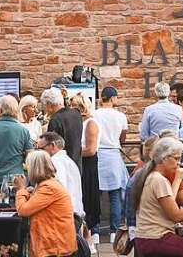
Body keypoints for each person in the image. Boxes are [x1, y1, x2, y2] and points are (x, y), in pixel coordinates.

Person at [132, 136, 183, 257]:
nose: (179, 163)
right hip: (155, 238)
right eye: (176, 159)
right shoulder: (158, 180)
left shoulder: (151, 176)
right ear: (163, 158)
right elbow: (175, 215)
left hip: (146, 238)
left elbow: (168, 207)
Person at [14, 150, 78, 257]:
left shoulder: (48, 187)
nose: (27, 171)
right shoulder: (48, 183)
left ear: (34, 169)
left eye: (28, 167)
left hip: (55, 246)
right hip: (55, 242)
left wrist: (21, 189)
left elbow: (23, 210)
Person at [93, 85, 129, 243]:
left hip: (98, 154)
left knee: (96, 196)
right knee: (115, 195)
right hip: (113, 154)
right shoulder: (120, 116)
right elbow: (123, 138)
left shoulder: (94, 115)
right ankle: (114, 231)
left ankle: (94, 232)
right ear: (113, 98)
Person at [38, 132, 85, 228]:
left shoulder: (56, 161)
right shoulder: (66, 160)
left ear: (52, 145)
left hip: (65, 215)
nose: (40, 152)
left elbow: (57, 189)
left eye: (42, 149)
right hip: (72, 213)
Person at [74, 93, 100, 252]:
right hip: (80, 163)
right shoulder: (78, 122)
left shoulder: (90, 123)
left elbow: (90, 150)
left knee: (87, 198)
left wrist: (72, 152)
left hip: (88, 165)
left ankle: (88, 236)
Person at [42, 86, 83, 169]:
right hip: (77, 164)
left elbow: (51, 146)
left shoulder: (55, 120)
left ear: (49, 105)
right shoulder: (76, 113)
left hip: (61, 165)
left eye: (45, 105)